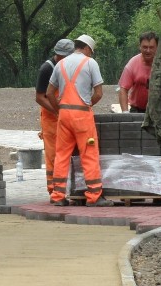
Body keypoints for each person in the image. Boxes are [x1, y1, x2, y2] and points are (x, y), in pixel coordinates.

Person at [45, 34, 112, 207]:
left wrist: (58, 109)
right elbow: (98, 93)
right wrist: (88, 104)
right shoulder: (90, 63)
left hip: (64, 116)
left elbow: (49, 92)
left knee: (61, 154)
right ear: (88, 48)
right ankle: (94, 195)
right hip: (82, 116)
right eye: (92, 51)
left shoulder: (60, 64)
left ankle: (58, 195)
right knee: (89, 154)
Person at [35, 38, 75, 197]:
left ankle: (69, 186)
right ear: (57, 54)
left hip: (67, 114)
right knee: (53, 154)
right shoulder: (47, 69)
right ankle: (54, 190)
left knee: (69, 152)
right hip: (51, 117)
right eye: (61, 57)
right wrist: (57, 112)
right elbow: (39, 97)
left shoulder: (70, 66)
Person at [118, 31, 159, 112]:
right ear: (140, 47)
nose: (148, 50)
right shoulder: (132, 64)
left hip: (159, 110)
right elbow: (123, 89)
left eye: (151, 47)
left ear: (157, 47)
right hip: (137, 109)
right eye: (145, 47)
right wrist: (125, 113)